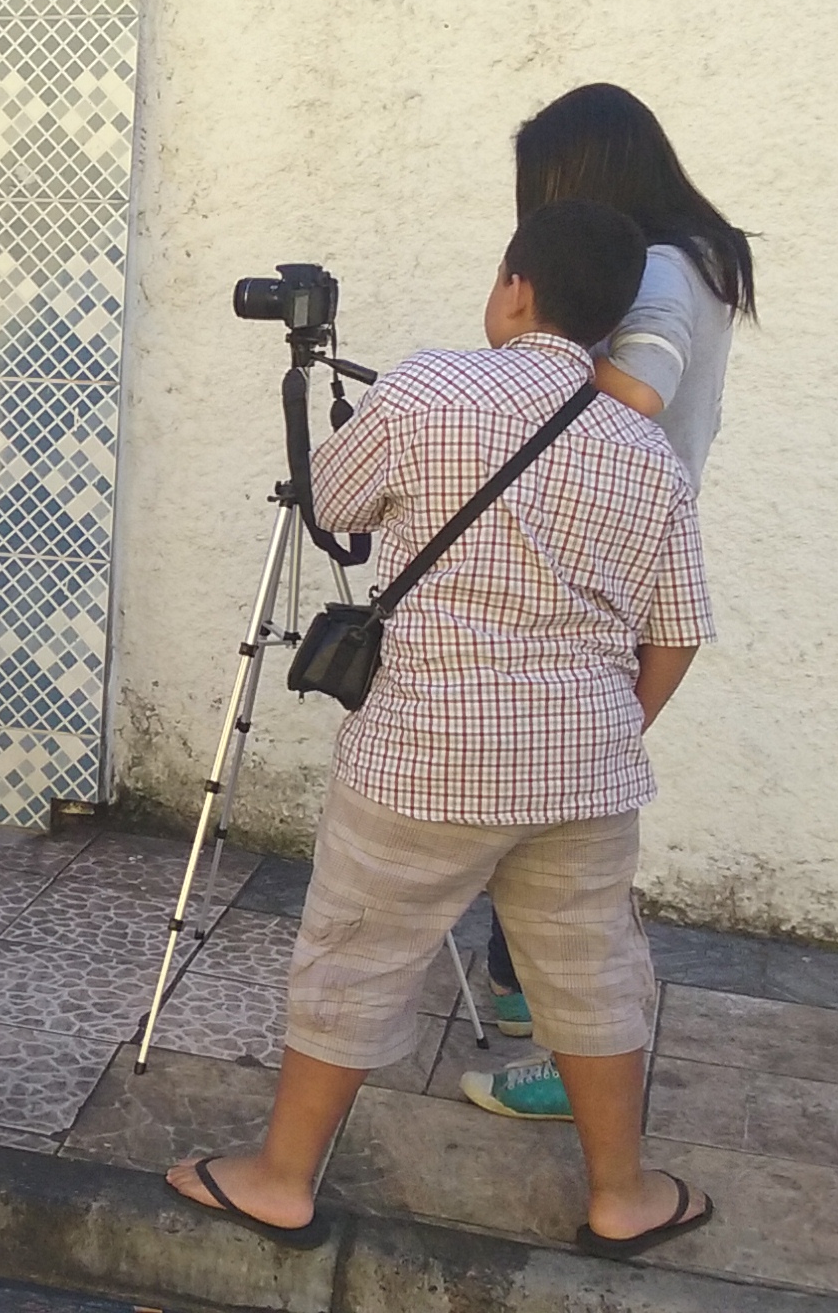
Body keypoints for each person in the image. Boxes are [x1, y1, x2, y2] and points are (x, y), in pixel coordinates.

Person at [165, 201, 717, 1259]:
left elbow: (332, 506)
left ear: (515, 286)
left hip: (424, 754)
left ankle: (281, 1180)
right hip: (584, 771)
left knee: (356, 956)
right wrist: (613, 731)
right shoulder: (646, 452)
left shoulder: (428, 388)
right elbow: (679, 629)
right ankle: (622, 1195)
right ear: (610, 320)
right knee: (593, 973)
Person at [469, 83, 756, 1119]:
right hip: (620, 552)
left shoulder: (665, 270)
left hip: (606, 563)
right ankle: (519, 985)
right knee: (550, 796)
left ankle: (573, 1049)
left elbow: (636, 393)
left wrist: (520, 356)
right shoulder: (697, 259)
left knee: (569, 824)